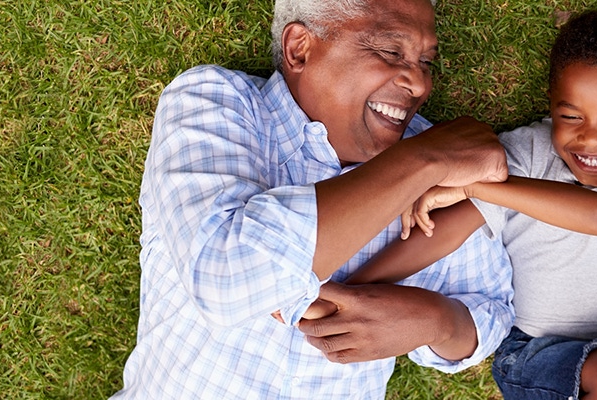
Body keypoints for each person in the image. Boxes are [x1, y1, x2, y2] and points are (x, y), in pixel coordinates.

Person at [111, 0, 517, 398]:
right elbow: (226, 279)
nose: (420, 84)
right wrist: (422, 161)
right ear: (299, 48)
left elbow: (490, 311)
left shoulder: (437, 166)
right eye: (391, 51)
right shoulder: (214, 102)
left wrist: (435, 322)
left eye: (425, 62)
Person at [328, 9, 597, 400]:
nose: (590, 140)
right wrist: (348, 288)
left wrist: (477, 186)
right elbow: (442, 234)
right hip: (536, 349)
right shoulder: (527, 152)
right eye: (571, 116)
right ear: (552, 105)